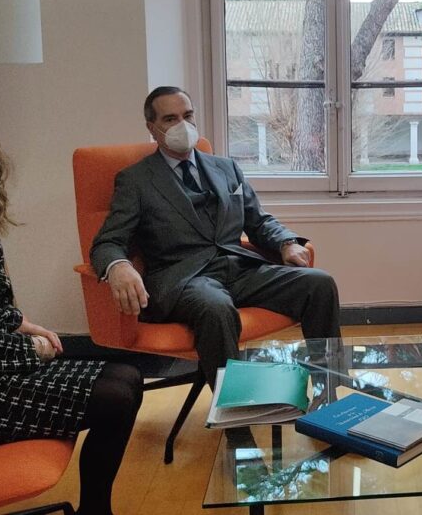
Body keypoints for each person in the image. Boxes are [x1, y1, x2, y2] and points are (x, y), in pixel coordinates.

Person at [0, 120, 141, 515]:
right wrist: (32, 350)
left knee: (127, 376)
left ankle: (95, 509)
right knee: (115, 398)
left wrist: (23, 324)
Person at [90, 86, 341, 387]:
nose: (182, 125)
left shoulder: (227, 168)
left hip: (240, 270)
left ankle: (329, 390)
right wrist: (118, 266)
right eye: (170, 119)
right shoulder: (136, 180)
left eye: (187, 115)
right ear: (152, 129)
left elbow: (258, 220)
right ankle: (235, 410)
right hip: (184, 280)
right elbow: (107, 242)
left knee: (319, 284)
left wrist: (286, 242)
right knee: (215, 308)